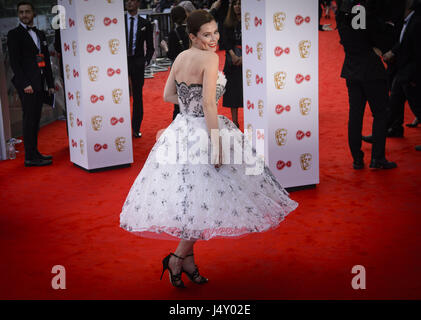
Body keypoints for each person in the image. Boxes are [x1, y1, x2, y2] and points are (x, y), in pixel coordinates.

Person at [120, 9, 298, 288]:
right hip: (205, 130)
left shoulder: (180, 57)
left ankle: (186, 262)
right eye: (206, 34)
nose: (213, 38)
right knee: (206, 199)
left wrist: (189, 100)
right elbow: (210, 105)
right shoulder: (210, 59)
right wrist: (217, 143)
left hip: (182, 128)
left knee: (195, 199)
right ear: (193, 36)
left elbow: (169, 95)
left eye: (215, 32)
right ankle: (177, 258)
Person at [336, 0, 397, 169]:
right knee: (380, 113)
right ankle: (377, 158)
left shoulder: (342, 9)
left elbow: (349, 37)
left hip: (351, 67)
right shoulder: (360, 8)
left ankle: (357, 159)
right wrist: (377, 46)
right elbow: (367, 33)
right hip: (370, 69)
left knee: (355, 115)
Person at [7, 1, 54, 167]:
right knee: (29, 120)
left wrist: (50, 83)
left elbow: (46, 60)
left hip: (40, 83)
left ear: (33, 13)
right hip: (27, 85)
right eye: (21, 12)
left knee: (35, 119)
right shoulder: (14, 34)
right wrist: (25, 83)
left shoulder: (40, 34)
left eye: (27, 11)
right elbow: (15, 63)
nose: (24, 15)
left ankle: (35, 152)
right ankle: (30, 157)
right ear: (18, 15)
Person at [383, 0, 421, 151]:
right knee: (395, 100)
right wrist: (393, 52)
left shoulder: (416, 23)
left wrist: (415, 77)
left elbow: (417, 53)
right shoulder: (409, 21)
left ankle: (382, 131)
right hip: (402, 69)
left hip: (410, 71)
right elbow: (403, 42)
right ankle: (383, 131)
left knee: (416, 103)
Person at [125, 0, 155, 138]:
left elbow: (150, 46)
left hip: (137, 63)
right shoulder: (118, 22)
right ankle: (120, 128)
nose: (129, 3)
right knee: (120, 96)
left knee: (137, 96)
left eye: (132, 1)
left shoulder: (145, 24)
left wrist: (146, 61)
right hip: (121, 63)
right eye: (127, 1)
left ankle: (136, 128)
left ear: (137, 3)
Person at [222, 0, 242, 128]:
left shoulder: (250, 21)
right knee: (233, 93)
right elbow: (225, 40)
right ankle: (235, 122)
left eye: (240, 4)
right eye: (235, 4)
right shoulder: (227, 22)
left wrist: (245, 57)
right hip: (231, 61)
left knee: (247, 92)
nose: (237, 6)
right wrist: (234, 55)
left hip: (249, 59)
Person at [168, 6, 190, 120]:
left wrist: (165, 48)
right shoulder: (190, 32)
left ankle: (177, 126)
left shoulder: (173, 33)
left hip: (178, 70)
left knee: (178, 100)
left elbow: (171, 55)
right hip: (191, 68)